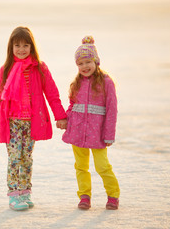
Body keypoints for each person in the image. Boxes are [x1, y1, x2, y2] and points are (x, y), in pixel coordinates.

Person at [0, 26, 67, 211]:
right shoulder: (6, 69)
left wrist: (60, 116)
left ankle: (25, 192)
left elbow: (52, 93)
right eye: (17, 45)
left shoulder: (39, 68)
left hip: (32, 122)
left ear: (32, 47)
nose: (21, 49)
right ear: (11, 47)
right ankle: (13, 195)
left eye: (25, 45)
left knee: (27, 157)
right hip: (12, 122)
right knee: (14, 158)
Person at [58, 35, 120, 210]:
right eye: (80, 64)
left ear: (96, 61)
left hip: (98, 133)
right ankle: (84, 196)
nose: (84, 67)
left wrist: (109, 135)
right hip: (77, 132)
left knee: (102, 166)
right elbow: (73, 105)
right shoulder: (76, 83)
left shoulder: (106, 82)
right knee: (81, 166)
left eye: (88, 62)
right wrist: (66, 120)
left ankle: (113, 195)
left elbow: (112, 110)